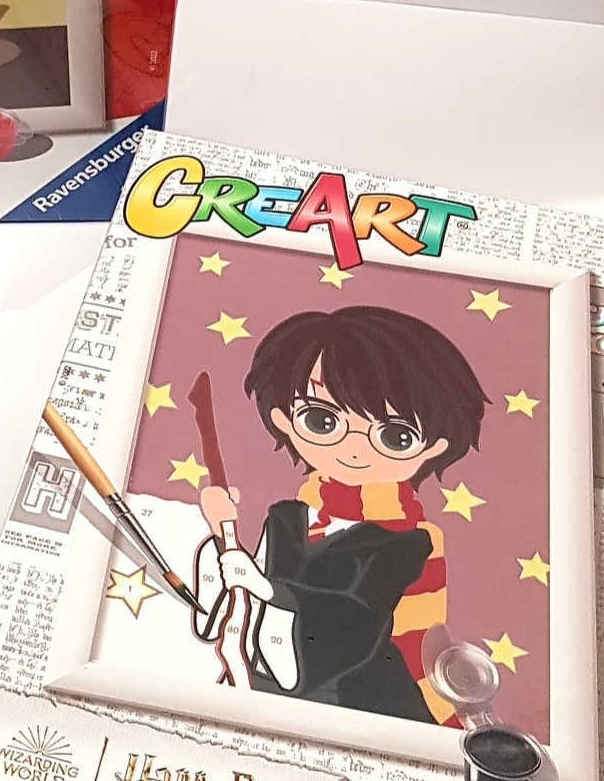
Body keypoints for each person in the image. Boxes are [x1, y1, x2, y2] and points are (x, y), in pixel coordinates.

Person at [195, 306, 487, 724]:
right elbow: (237, 605)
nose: (353, 448)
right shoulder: (286, 517)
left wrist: (266, 588)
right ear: (284, 420)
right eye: (321, 420)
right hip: (269, 690)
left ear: (434, 446)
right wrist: (222, 540)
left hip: (360, 702)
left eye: (395, 436)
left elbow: (359, 618)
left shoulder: (407, 540)